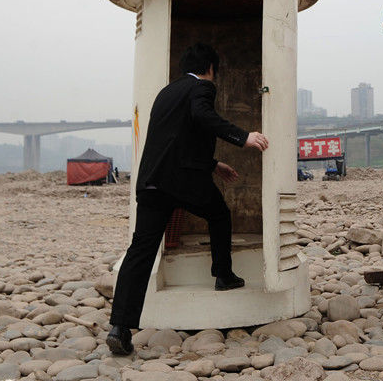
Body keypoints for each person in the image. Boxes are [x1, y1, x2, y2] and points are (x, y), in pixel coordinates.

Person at [106, 43, 269, 356]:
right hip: (182, 181)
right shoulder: (202, 87)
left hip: (152, 181)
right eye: (214, 72)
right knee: (219, 214)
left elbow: (176, 138)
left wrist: (213, 165)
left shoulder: (166, 93)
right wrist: (243, 137)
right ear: (209, 68)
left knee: (140, 251)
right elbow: (203, 116)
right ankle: (224, 275)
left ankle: (119, 328)